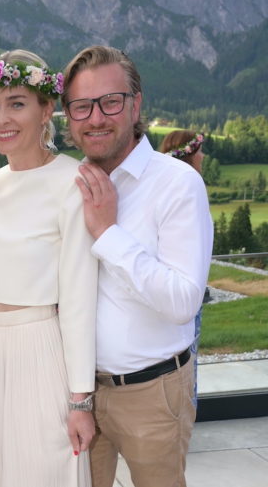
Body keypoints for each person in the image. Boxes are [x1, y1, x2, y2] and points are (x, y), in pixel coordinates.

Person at [61, 46, 213, 487]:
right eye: (81, 106)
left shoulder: (177, 184)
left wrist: (109, 235)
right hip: (80, 395)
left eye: (110, 102)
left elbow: (184, 301)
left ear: (136, 103)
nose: (95, 118)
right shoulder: (72, 184)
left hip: (152, 393)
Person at [0, 50, 98, 487]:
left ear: (47, 110)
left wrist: (80, 402)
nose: (1, 117)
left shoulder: (72, 181)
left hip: (40, 354)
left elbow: (80, 297)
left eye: (16, 103)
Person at [159, 130, 210, 406]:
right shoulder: (190, 187)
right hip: (184, 294)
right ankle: (187, 406)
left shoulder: (165, 185)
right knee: (188, 353)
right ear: (189, 153)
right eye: (199, 150)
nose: (203, 156)